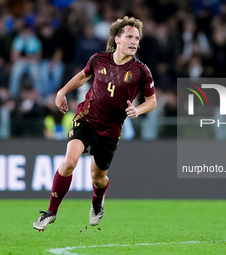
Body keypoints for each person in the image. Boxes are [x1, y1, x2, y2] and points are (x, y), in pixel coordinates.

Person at [33, 16, 157, 231]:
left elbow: (152, 101)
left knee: (98, 178)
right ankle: (51, 212)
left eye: (137, 38)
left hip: (110, 130)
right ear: (117, 39)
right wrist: (62, 92)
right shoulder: (98, 59)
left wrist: (138, 109)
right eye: (129, 37)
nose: (134, 41)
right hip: (86, 119)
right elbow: (83, 76)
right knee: (69, 162)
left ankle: (97, 201)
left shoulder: (141, 71)